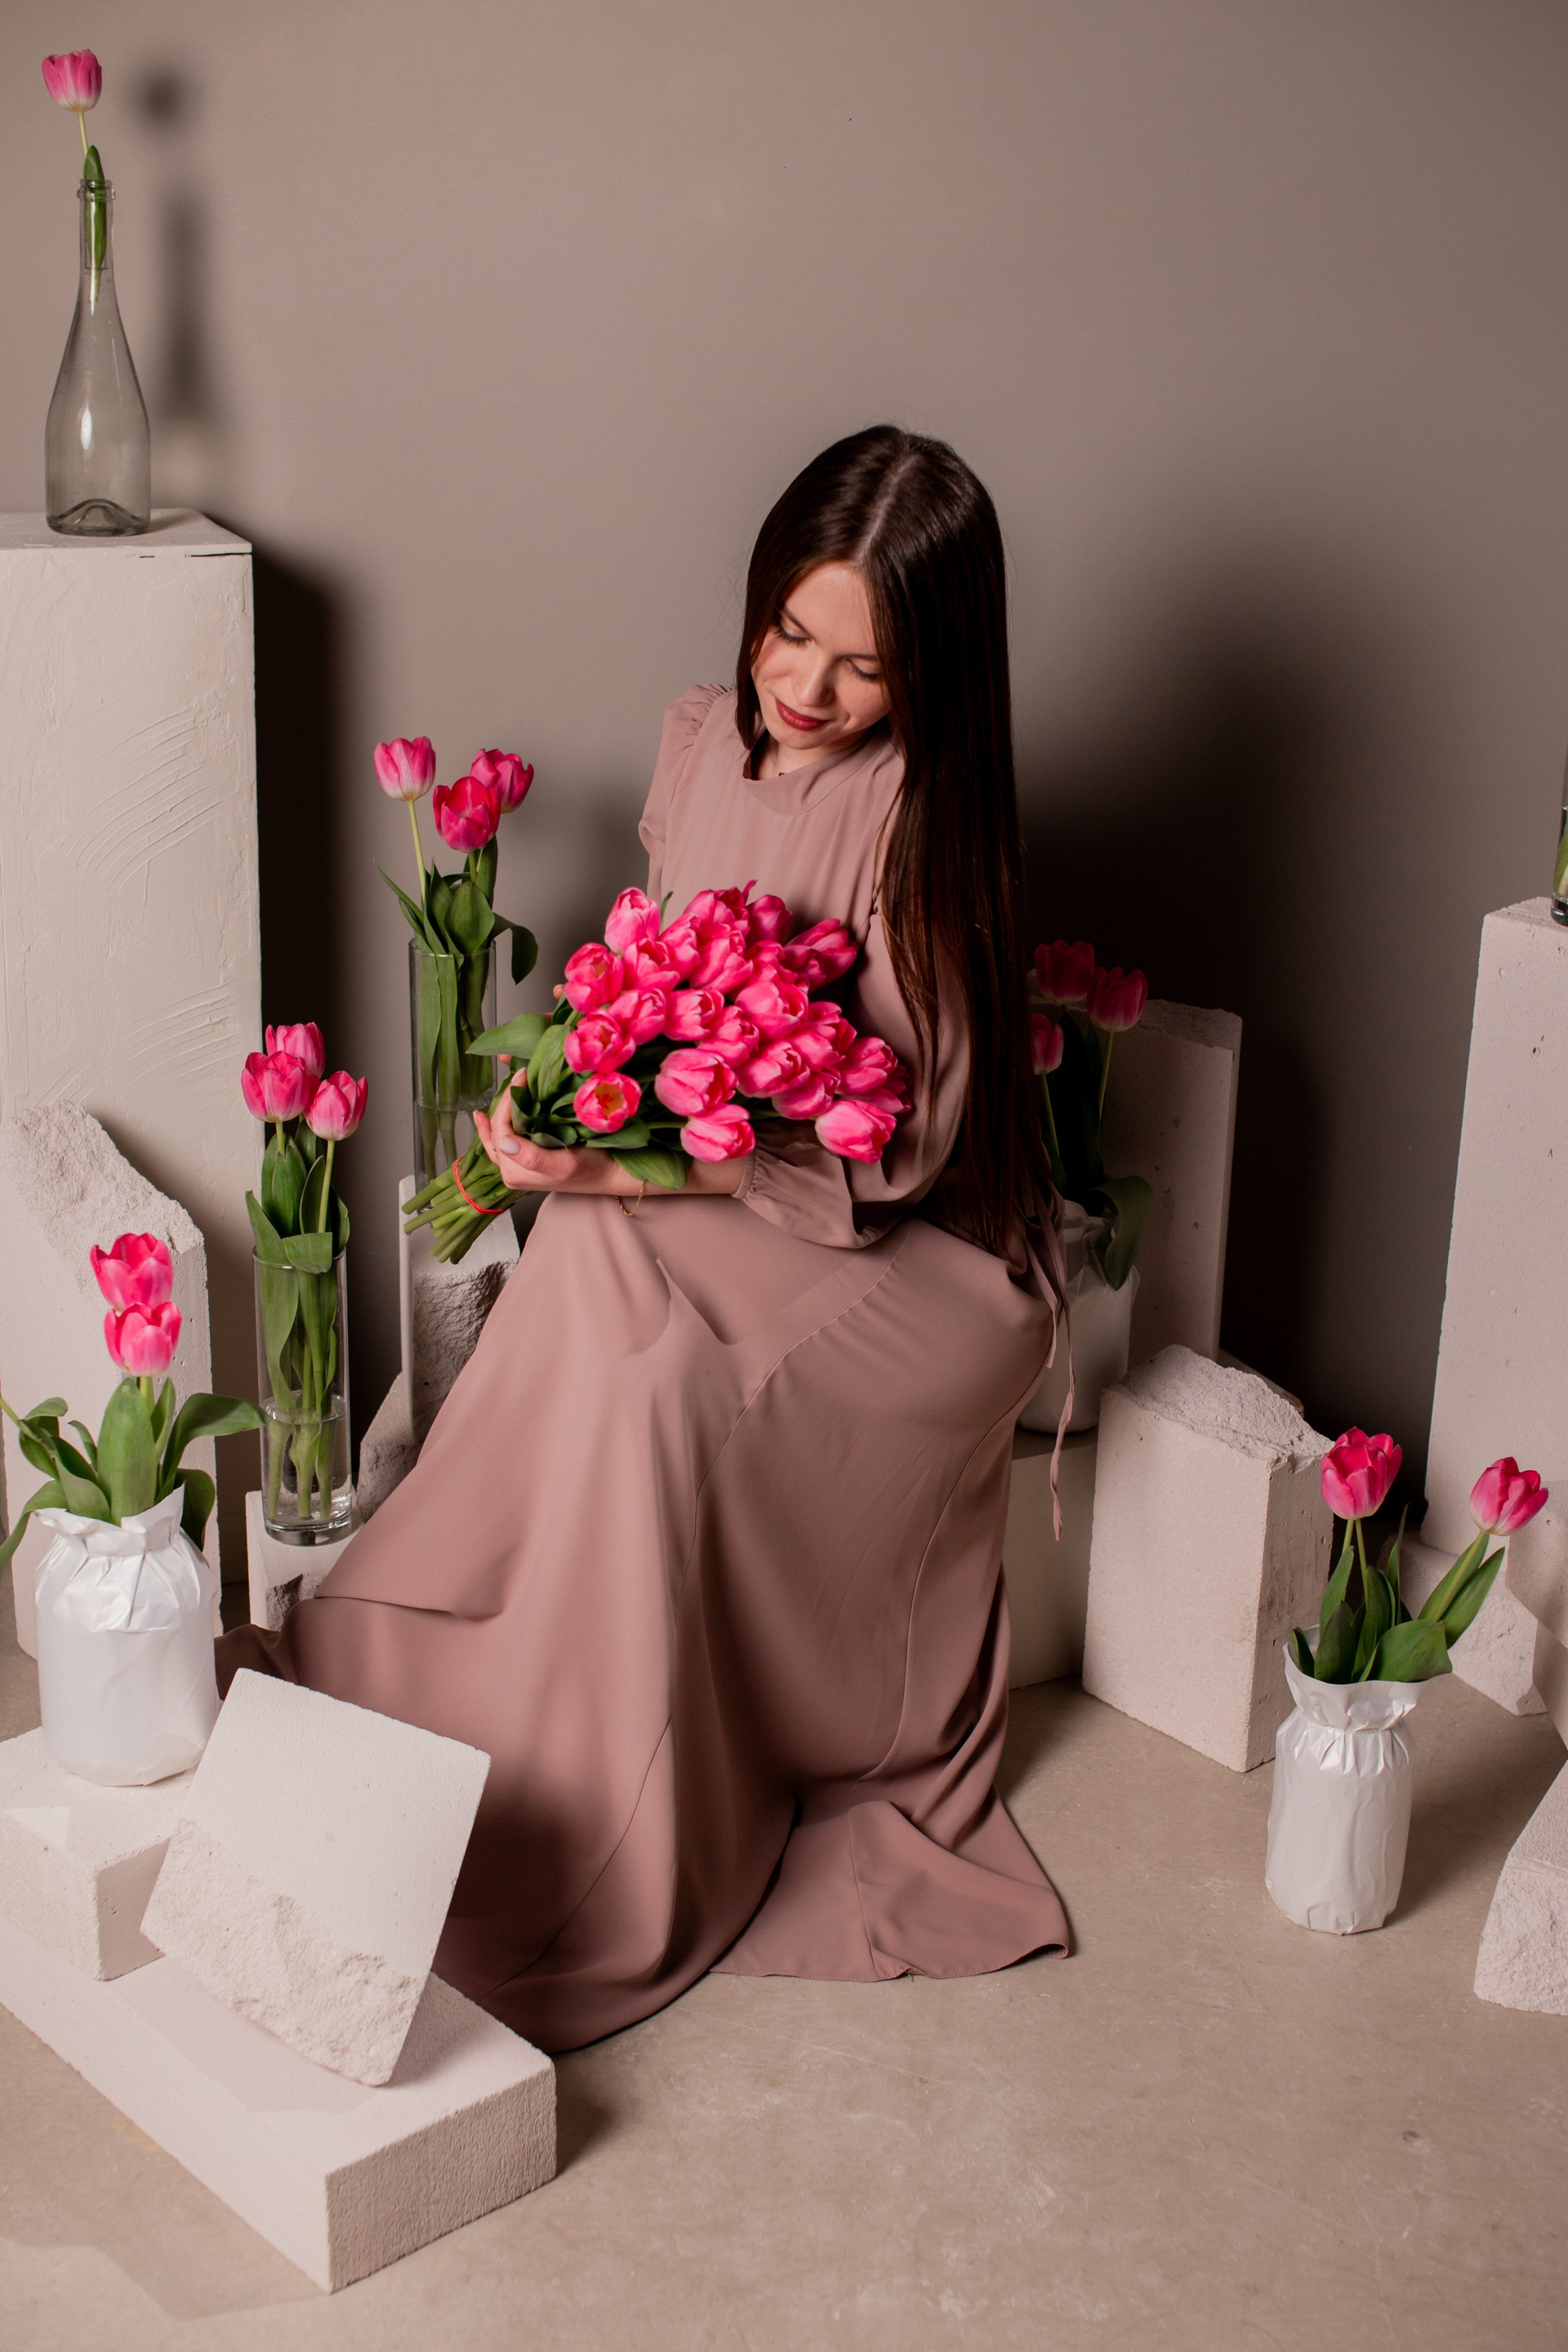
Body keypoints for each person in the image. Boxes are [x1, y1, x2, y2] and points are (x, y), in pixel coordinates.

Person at [217, 424, 1071, 2052]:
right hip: (721, 1184)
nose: (806, 687)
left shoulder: (921, 821)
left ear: (934, 675)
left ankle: (611, 1820)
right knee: (589, 1261)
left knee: (644, 1353)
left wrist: (608, 1169)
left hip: (912, 1264)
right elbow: (656, 998)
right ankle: (470, 1691)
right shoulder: (699, 740)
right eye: (788, 633)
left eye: (864, 667)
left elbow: (897, 1156)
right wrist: (571, 1126)